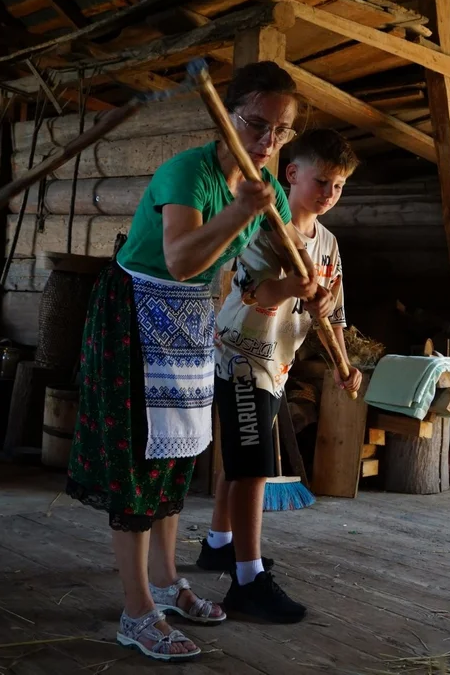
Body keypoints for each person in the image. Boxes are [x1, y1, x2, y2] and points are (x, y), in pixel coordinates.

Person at [65, 61, 315, 662]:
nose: (267, 141)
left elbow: (266, 270)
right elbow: (179, 259)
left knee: (177, 455)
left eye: (280, 132)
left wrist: (305, 281)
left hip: (190, 318)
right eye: (257, 124)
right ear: (227, 116)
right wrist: (241, 209)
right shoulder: (189, 172)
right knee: (137, 461)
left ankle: (166, 581)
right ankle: (136, 612)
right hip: (135, 310)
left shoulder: (269, 190)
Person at [199, 129, 364, 623]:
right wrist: (291, 285)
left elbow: (331, 311)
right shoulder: (267, 228)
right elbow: (252, 292)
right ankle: (247, 581)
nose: (330, 193)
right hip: (242, 355)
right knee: (253, 467)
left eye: (339, 186)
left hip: (279, 363)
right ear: (292, 174)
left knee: (242, 455)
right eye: (322, 181)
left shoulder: (329, 243)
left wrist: (343, 362)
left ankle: (218, 544)